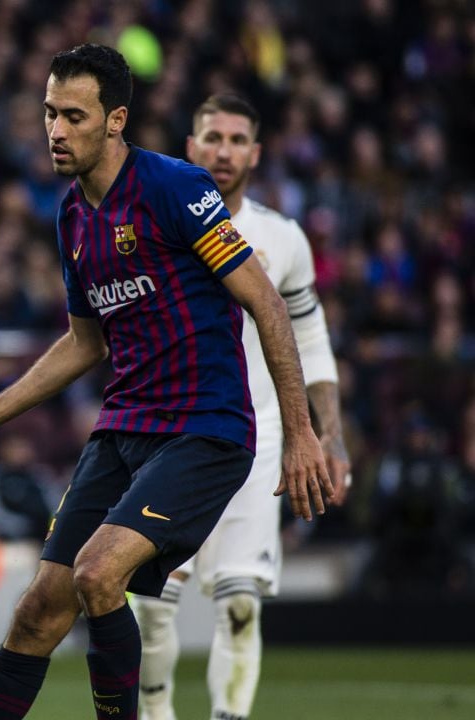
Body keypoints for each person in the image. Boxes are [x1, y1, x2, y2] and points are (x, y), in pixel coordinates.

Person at [0, 44, 332, 720]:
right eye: (48, 114)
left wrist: (301, 433)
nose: (55, 131)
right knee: (38, 610)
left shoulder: (176, 188)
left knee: (98, 574)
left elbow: (266, 302)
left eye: (73, 116)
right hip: (123, 432)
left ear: (115, 120)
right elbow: (83, 342)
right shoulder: (72, 216)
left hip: (203, 432)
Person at [133, 94, 352, 720]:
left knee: (239, 603)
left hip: (254, 455)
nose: (223, 150)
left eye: (236, 139)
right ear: (190, 147)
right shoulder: (154, 226)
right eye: (212, 137)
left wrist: (328, 436)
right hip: (165, 446)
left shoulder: (283, 239)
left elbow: (312, 341)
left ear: (255, 153)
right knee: (150, 609)